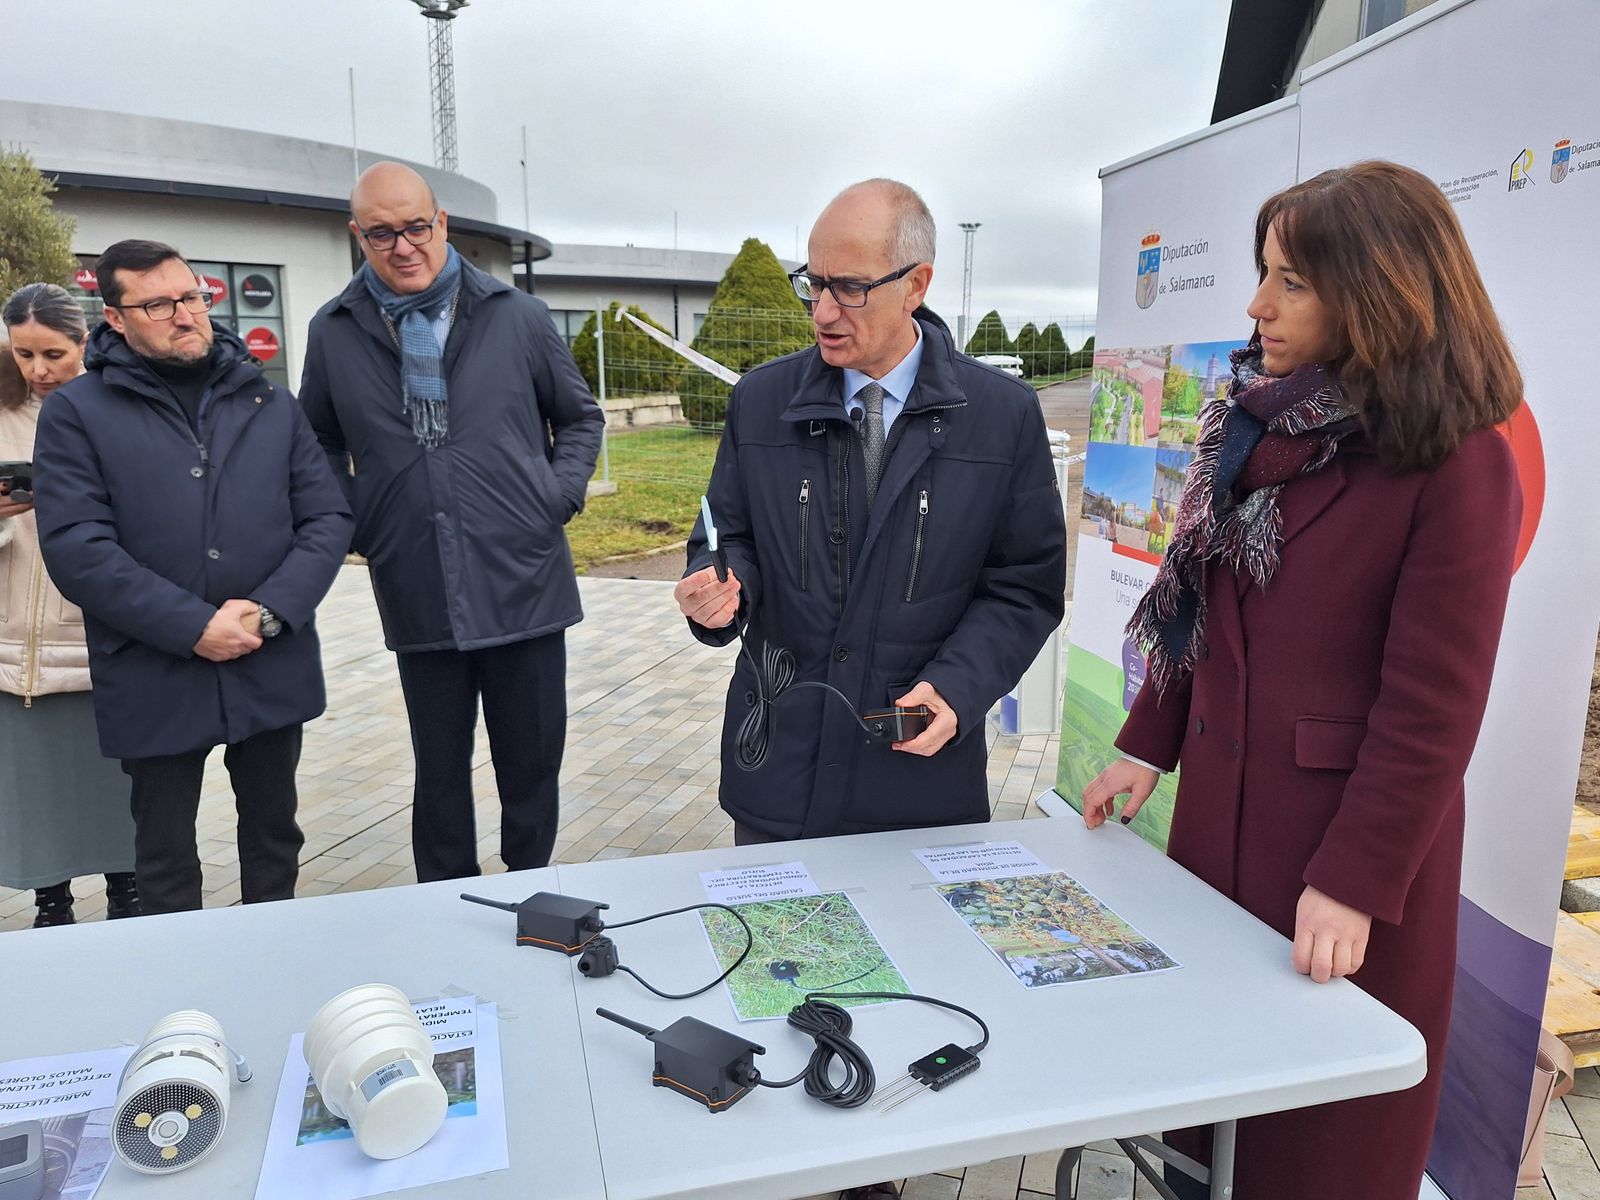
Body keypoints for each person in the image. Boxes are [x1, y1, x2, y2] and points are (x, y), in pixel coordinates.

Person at [1080, 161, 1524, 1199]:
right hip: (1217, 843)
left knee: (1312, 1152)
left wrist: (1356, 880)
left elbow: (1433, 709)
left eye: (1290, 282)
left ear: (1377, 292)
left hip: (1337, 862)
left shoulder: (1459, 461)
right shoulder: (1258, 432)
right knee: (1207, 1130)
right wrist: (1148, 741)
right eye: (1261, 274)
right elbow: (1206, 610)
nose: (1255, 305)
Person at [675, 179, 1066, 846]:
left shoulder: (1002, 417)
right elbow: (724, 533)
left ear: (917, 284)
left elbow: (1024, 586)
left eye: (849, 287)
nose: (823, 311)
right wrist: (719, 584)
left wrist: (959, 685)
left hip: (918, 780)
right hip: (778, 771)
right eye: (814, 282)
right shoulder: (760, 402)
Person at [300, 162, 604, 883]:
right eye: (381, 234)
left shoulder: (516, 315)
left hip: (524, 582)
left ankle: (532, 889)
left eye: (415, 227)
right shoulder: (335, 329)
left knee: (531, 766)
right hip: (416, 581)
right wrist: (359, 524)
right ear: (358, 236)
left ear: (441, 224)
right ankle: (444, 901)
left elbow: (580, 416)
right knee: (438, 773)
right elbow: (316, 442)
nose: (402, 246)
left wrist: (551, 497)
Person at [32, 240, 352, 916]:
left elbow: (326, 518)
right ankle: (180, 999)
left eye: (191, 296)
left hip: (269, 657)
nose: (184, 315)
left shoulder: (267, 399)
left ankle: (272, 960)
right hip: (152, 671)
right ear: (114, 317)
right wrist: (191, 626)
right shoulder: (77, 413)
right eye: (158, 304)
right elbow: (77, 546)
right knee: (163, 856)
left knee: (274, 837)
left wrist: (268, 611)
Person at [0, 285, 139, 926]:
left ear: (84, 341)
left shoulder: (118, 404)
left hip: (101, 628)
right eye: (23, 353)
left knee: (119, 781)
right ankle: (50, 900)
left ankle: (128, 891)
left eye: (52, 352)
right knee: (35, 789)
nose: (37, 370)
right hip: (14, 642)